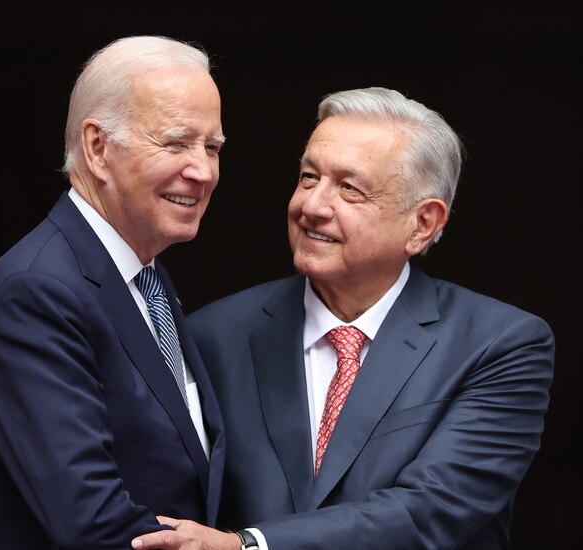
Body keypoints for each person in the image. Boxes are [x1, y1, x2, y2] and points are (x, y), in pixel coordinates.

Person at [131, 87, 554, 550]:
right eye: (309, 178)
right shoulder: (211, 335)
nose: (312, 206)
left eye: (349, 188)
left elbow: (434, 509)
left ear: (423, 224)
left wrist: (249, 546)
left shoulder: (498, 344)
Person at [0, 35, 228, 549]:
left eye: (213, 148)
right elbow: (92, 520)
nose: (202, 171)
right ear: (98, 148)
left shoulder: (146, 276)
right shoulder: (35, 291)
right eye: (177, 142)